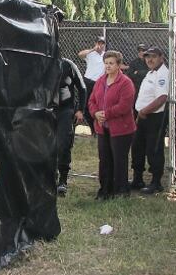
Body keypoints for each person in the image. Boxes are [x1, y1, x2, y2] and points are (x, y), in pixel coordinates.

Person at [86, 51, 136, 199]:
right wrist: (95, 113)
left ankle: (121, 190)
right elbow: (91, 101)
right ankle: (104, 190)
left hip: (121, 129)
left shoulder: (126, 83)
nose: (108, 66)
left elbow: (124, 106)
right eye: (106, 63)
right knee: (104, 159)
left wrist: (105, 114)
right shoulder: (101, 81)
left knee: (119, 159)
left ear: (118, 65)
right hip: (102, 127)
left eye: (111, 63)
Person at [131, 46, 169, 194]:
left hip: (154, 117)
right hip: (142, 115)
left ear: (161, 57)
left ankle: (156, 182)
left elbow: (162, 98)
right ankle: (137, 178)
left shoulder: (162, 74)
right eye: (147, 57)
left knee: (153, 148)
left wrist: (144, 111)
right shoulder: (151, 73)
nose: (149, 59)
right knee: (137, 146)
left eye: (153, 56)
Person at [54, 57, 86, 197]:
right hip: (46, 111)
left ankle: (63, 180)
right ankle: (49, 177)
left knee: (63, 144)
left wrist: (80, 110)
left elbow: (82, 87)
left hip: (65, 110)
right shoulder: (40, 60)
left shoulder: (68, 64)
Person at [77, 36, 106, 118]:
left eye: (102, 43)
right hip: (88, 81)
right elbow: (80, 54)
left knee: (97, 103)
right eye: (98, 43)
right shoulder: (90, 54)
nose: (100, 45)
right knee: (86, 102)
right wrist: (93, 49)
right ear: (95, 43)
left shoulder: (106, 55)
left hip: (100, 83)